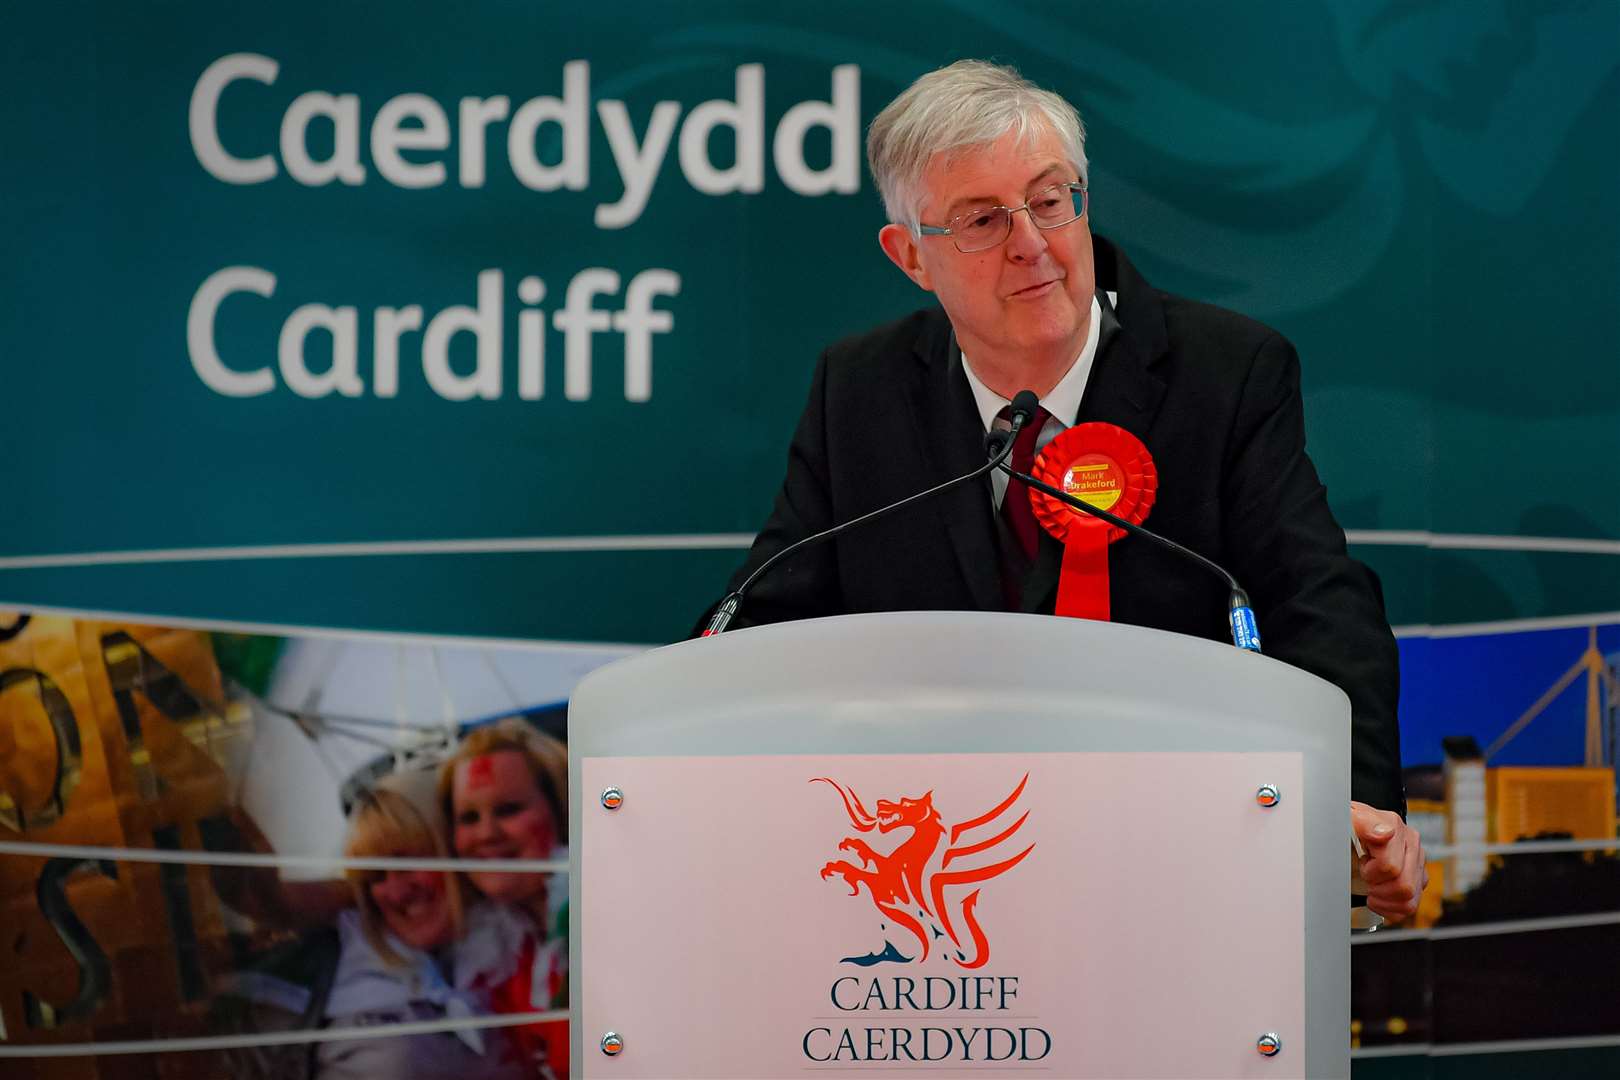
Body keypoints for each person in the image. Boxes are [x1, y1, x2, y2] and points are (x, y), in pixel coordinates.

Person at [704, 60, 1425, 922]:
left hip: (1176, 877)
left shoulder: (1225, 374)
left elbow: (1320, 602)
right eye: (981, 221)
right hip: (954, 887)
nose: (1032, 244)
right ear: (911, 257)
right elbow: (761, 626)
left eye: (1051, 201)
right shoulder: (857, 391)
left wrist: (1354, 809)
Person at [318, 782, 527, 1080]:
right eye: (375, 877)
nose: (396, 892)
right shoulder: (354, 990)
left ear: (453, 853)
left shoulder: (531, 945)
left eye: (407, 862)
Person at [437, 720, 570, 1078]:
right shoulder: (496, 948)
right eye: (468, 817)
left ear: (561, 811)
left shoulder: (614, 914)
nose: (486, 834)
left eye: (509, 809)